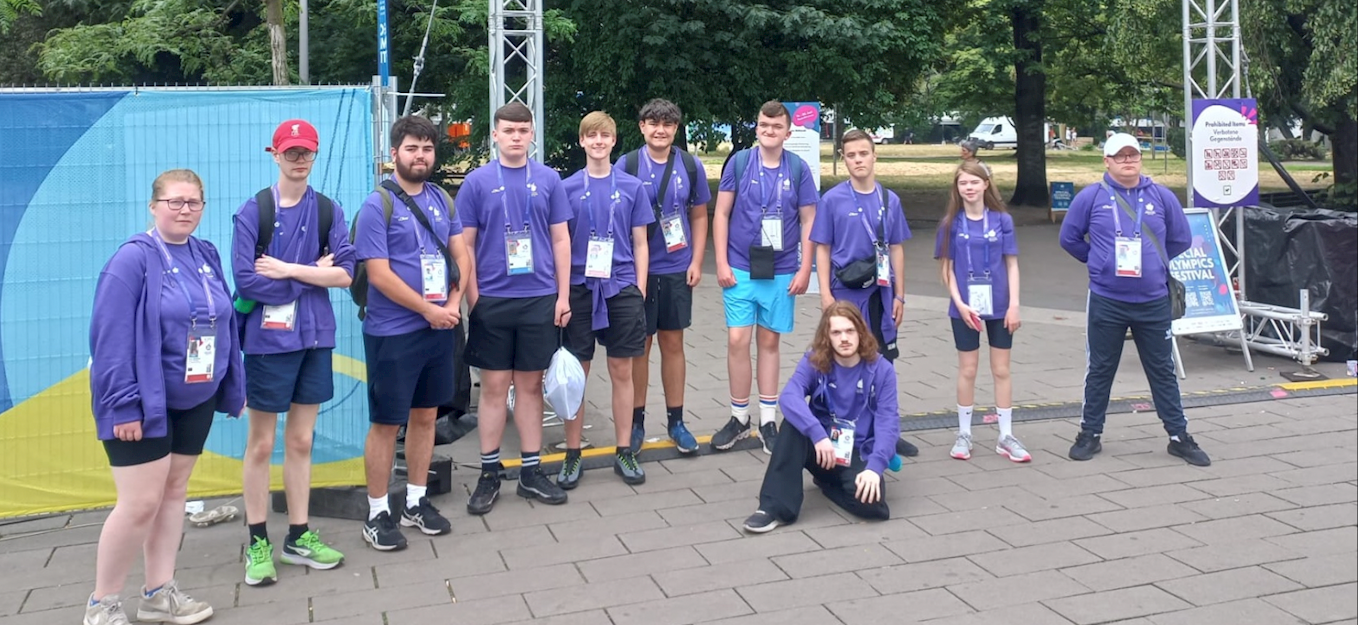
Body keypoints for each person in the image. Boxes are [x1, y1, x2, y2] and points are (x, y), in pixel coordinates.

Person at [86, 169, 245, 625]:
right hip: (140, 404)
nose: (185, 211)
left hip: (194, 398)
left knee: (174, 494)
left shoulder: (205, 254)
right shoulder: (131, 261)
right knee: (139, 504)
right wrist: (123, 405)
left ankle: (159, 594)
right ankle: (103, 605)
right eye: (175, 202)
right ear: (153, 206)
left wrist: (231, 385)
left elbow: (223, 323)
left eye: (194, 202)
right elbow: (109, 338)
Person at [232, 120, 355, 585]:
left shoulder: (327, 210)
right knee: (262, 443)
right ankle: (258, 540)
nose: (299, 159)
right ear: (274, 154)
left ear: (315, 155)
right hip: (267, 343)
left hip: (315, 338)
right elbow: (247, 281)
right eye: (291, 152)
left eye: (306, 152)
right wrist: (311, 273)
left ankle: (298, 536)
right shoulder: (254, 212)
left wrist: (286, 269)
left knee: (301, 441)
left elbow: (345, 273)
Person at [352, 115, 472, 549]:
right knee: (387, 423)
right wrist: (428, 310)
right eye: (411, 148)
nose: (420, 156)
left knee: (425, 417)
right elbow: (379, 275)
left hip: (440, 328)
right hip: (394, 332)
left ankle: (416, 502)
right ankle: (378, 511)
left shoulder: (443, 198)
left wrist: (452, 306)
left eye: (426, 148)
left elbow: (461, 255)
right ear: (394, 154)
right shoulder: (377, 205)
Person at [1059, 132, 1211, 466]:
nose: (1128, 161)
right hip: (1107, 299)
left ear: (1140, 159)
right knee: (1100, 369)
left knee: (1162, 370)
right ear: (1107, 161)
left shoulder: (1161, 196)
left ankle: (1178, 436)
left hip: (1153, 300)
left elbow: (1181, 239)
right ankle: (1090, 433)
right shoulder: (1090, 198)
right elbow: (1069, 238)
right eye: (1121, 156)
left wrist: (1155, 265)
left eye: (1134, 155)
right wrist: (1098, 262)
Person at [459, 102, 572, 515]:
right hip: (492, 300)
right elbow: (465, 246)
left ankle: (530, 470)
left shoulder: (548, 179)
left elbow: (561, 240)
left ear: (532, 134)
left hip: (539, 298)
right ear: (494, 134)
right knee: (493, 388)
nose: (516, 137)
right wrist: (474, 299)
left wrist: (562, 296)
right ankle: (489, 472)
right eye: (508, 131)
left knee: (529, 387)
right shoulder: (476, 182)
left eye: (523, 130)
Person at [711, 100, 818, 455]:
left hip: (781, 268)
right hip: (741, 266)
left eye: (775, 127)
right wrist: (722, 263)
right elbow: (721, 214)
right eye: (763, 125)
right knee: (738, 340)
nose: (768, 131)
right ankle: (738, 417)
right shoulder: (740, 163)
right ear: (756, 128)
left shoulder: (798, 168)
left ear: (788, 132)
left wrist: (806, 268)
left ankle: (767, 420)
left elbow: (808, 220)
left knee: (769, 343)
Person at [811, 128, 920, 457]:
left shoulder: (890, 200)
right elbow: (822, 248)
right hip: (845, 294)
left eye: (863, 153)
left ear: (874, 155)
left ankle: (887, 431)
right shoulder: (832, 200)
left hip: (880, 294)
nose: (858, 160)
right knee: (846, 361)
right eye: (851, 155)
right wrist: (825, 296)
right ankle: (848, 431)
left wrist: (900, 295)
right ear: (843, 160)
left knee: (883, 363)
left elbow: (897, 248)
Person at [558, 111, 654, 487]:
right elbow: (560, 244)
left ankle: (624, 450)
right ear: (581, 141)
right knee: (576, 376)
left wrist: (639, 288)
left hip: (621, 287)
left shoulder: (633, 186)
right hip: (581, 287)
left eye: (605, 136)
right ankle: (571, 454)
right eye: (591, 136)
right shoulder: (566, 188)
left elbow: (641, 243)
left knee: (622, 371)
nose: (598, 142)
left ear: (615, 142)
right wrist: (562, 293)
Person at [742, 303, 897, 533]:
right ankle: (774, 508)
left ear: (860, 333)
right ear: (827, 336)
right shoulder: (815, 360)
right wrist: (817, 434)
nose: (844, 338)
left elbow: (888, 422)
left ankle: (830, 486)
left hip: (856, 449)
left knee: (874, 506)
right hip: (820, 447)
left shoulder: (882, 369)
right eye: (836, 332)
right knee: (793, 424)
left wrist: (875, 467)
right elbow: (789, 397)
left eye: (850, 331)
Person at [616, 99, 711, 455]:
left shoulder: (689, 164)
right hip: (635, 272)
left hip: (675, 268)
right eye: (653, 123)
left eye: (667, 124)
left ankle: (676, 421)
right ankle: (636, 422)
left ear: (675, 129)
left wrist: (697, 261)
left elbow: (699, 216)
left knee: (673, 345)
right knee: (639, 347)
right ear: (641, 126)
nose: (660, 130)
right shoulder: (625, 165)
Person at [934, 161, 1030, 463]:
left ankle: (1005, 435)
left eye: (974, 182)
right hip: (964, 308)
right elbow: (946, 270)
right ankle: (964, 433)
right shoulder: (950, 224)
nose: (969, 188)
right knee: (968, 369)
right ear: (957, 188)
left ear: (986, 185)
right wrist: (960, 304)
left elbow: (1012, 264)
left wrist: (1014, 304)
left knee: (1001, 369)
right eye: (963, 183)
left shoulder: (1002, 221)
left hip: (1000, 307)